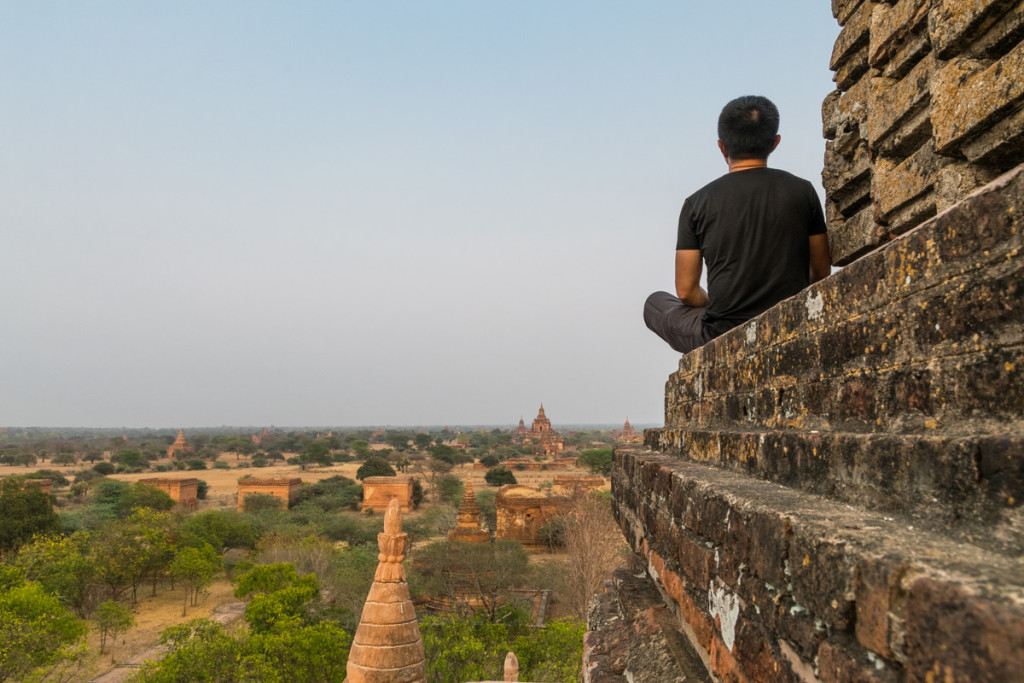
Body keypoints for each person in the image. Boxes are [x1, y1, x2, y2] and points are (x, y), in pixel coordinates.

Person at [644, 95, 831, 354]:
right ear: (774, 143)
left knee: (655, 303)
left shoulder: (696, 203)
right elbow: (821, 270)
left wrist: (716, 305)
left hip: (721, 332)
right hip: (787, 321)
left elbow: (686, 292)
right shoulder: (803, 191)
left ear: (722, 147)